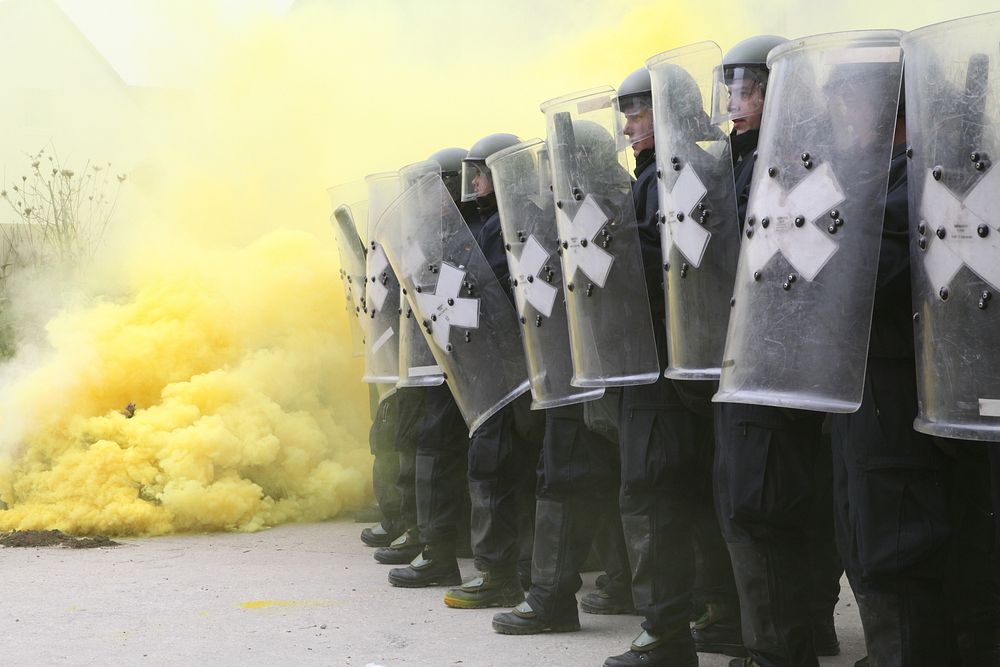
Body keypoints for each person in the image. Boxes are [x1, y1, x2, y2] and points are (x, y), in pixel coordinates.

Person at [711, 35, 844, 667]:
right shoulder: (740, 163)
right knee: (776, 502)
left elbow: (800, 268)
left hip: (777, 366)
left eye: (750, 90)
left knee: (763, 507)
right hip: (749, 363)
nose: (735, 103)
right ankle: (803, 632)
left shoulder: (800, 164)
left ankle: (779, 651)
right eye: (730, 89)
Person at [605, 66, 736, 667]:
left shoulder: (673, 178)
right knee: (692, 495)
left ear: (668, 113)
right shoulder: (684, 172)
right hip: (685, 367)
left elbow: (663, 274)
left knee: (654, 495)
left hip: (659, 366)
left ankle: (665, 634)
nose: (627, 126)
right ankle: (715, 613)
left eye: (637, 112)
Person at [440, 133, 545, 609]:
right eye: (472, 174)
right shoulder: (487, 226)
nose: (475, 184)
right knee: (501, 470)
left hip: (512, 371)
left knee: (499, 469)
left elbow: (497, 292)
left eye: (481, 174)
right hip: (494, 369)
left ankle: (502, 574)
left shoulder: (515, 223)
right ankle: (512, 571)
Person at [381, 148, 476, 578]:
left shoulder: (467, 235)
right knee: (424, 445)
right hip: (431, 365)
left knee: (443, 451)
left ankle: (441, 549)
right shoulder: (430, 234)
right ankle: (428, 537)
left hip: (462, 366)